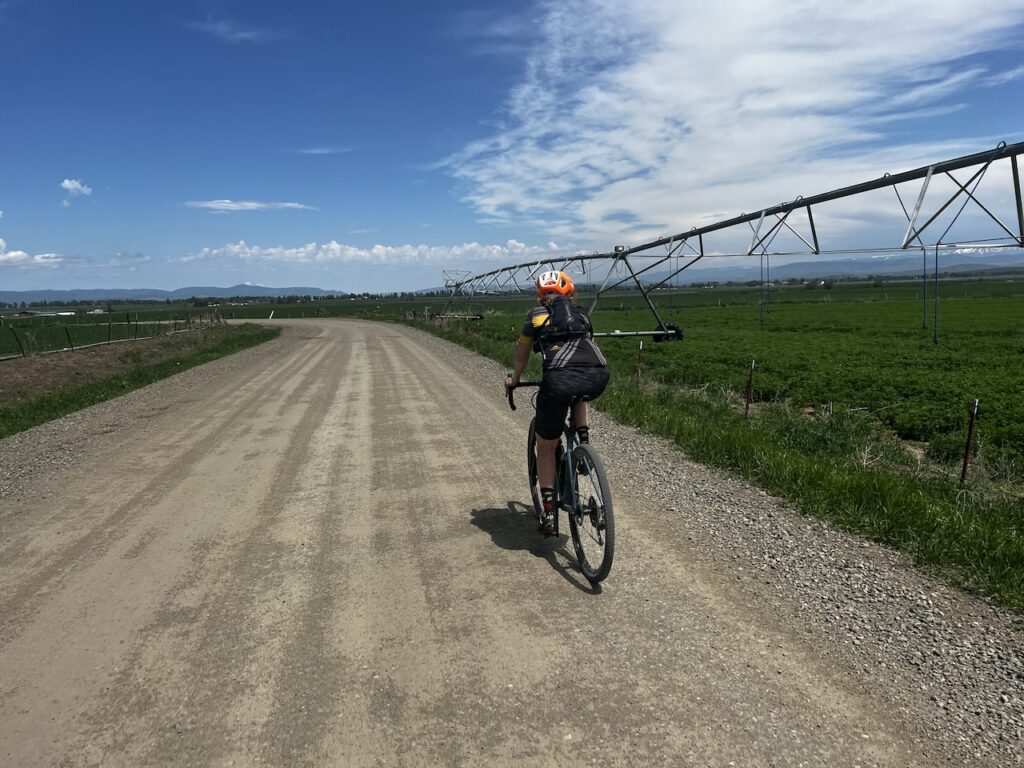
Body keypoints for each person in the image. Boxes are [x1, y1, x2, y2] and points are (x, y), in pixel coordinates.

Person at [505, 270, 609, 536]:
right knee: (579, 390)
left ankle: (549, 513)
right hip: (597, 376)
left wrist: (514, 380)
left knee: (546, 445)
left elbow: (522, 356)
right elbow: (586, 352)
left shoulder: (535, 316)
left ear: (540, 297)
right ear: (570, 294)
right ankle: (584, 444)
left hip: (558, 382)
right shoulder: (583, 315)